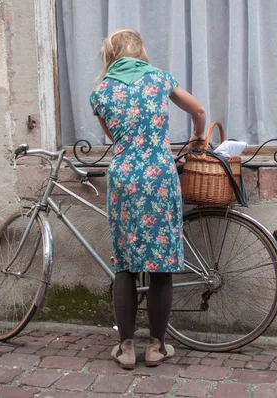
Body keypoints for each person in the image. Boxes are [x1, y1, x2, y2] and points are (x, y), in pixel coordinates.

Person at [89, 28, 206, 369]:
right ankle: (156, 346)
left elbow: (114, 136)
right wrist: (199, 135)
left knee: (125, 262)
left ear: (109, 55)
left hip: (124, 176)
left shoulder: (101, 91)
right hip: (158, 174)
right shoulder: (159, 79)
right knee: (160, 262)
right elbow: (198, 110)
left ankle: (125, 348)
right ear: (139, 50)